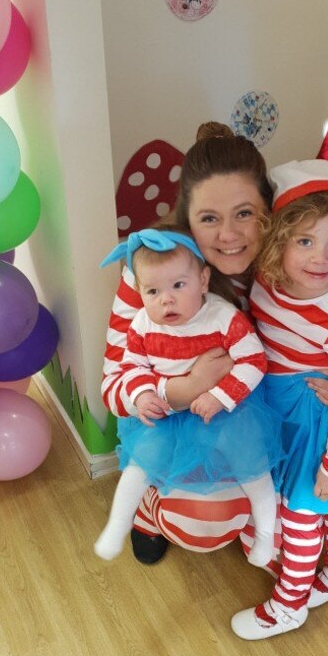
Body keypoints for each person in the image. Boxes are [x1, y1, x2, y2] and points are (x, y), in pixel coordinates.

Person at [101, 123, 328, 565]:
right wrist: (183, 389)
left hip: (250, 409)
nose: (228, 234)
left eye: (244, 213)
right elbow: (114, 384)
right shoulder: (151, 272)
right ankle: (149, 511)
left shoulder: (296, 262)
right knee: (199, 524)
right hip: (170, 417)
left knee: (271, 507)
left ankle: (256, 516)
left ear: (268, 212)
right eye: (209, 218)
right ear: (186, 221)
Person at [231, 160, 328, 639]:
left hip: (319, 422)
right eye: (306, 241)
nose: (321, 258)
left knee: (305, 508)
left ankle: (290, 603)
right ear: (278, 243)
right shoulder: (266, 281)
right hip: (279, 411)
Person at [95, 229, 281, 565]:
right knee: (140, 465)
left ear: (204, 280)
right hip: (171, 416)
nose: (166, 299)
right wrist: (141, 394)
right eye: (153, 291)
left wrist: (220, 396)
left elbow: (254, 361)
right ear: (140, 291)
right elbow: (132, 365)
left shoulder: (223, 317)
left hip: (227, 411)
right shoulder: (141, 323)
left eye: (178, 286)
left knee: (252, 468)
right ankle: (118, 524)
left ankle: (266, 534)